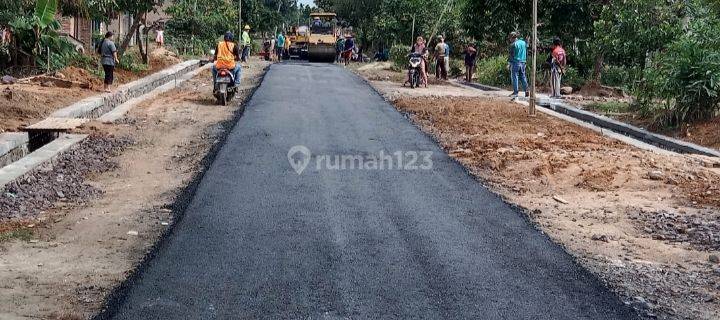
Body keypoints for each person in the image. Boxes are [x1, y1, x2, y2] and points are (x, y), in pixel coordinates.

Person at [508, 31, 529, 99]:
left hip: (515, 62)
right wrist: (525, 61)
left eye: (510, 38)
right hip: (523, 62)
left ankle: (515, 92)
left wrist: (509, 64)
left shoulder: (513, 45)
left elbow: (511, 56)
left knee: (515, 77)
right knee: (523, 76)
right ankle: (526, 90)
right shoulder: (523, 43)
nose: (510, 40)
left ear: (512, 38)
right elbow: (526, 51)